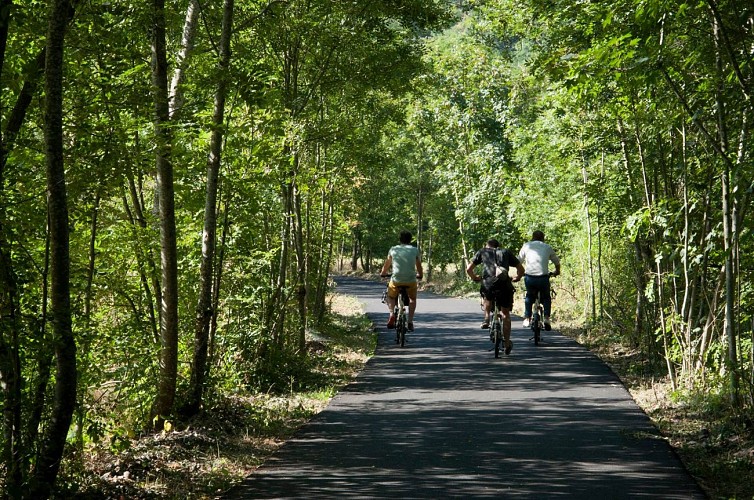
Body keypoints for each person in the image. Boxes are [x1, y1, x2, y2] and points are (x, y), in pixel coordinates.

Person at [466, 239, 524, 354]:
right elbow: (521, 269)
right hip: (504, 285)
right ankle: (507, 343)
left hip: (488, 284)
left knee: (487, 294)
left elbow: (469, 269)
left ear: (486, 245)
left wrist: (474, 277)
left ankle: (487, 318)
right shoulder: (506, 252)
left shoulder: (482, 252)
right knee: (505, 313)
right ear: (499, 246)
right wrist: (517, 278)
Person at [380, 230, 423, 331]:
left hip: (396, 280)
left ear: (400, 239)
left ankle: (391, 314)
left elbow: (387, 263)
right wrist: (420, 275)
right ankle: (410, 322)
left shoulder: (393, 249)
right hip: (411, 280)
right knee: (412, 299)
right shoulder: (414, 250)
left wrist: (383, 273)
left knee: (390, 296)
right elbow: (419, 266)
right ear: (410, 240)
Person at [517, 230, 561, 330]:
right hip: (543, 278)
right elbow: (557, 262)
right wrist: (557, 271)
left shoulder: (526, 246)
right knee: (546, 297)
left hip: (530, 278)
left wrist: (519, 273)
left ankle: (527, 318)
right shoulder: (547, 247)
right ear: (543, 238)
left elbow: (518, 261)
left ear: (532, 237)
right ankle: (546, 318)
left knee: (529, 296)